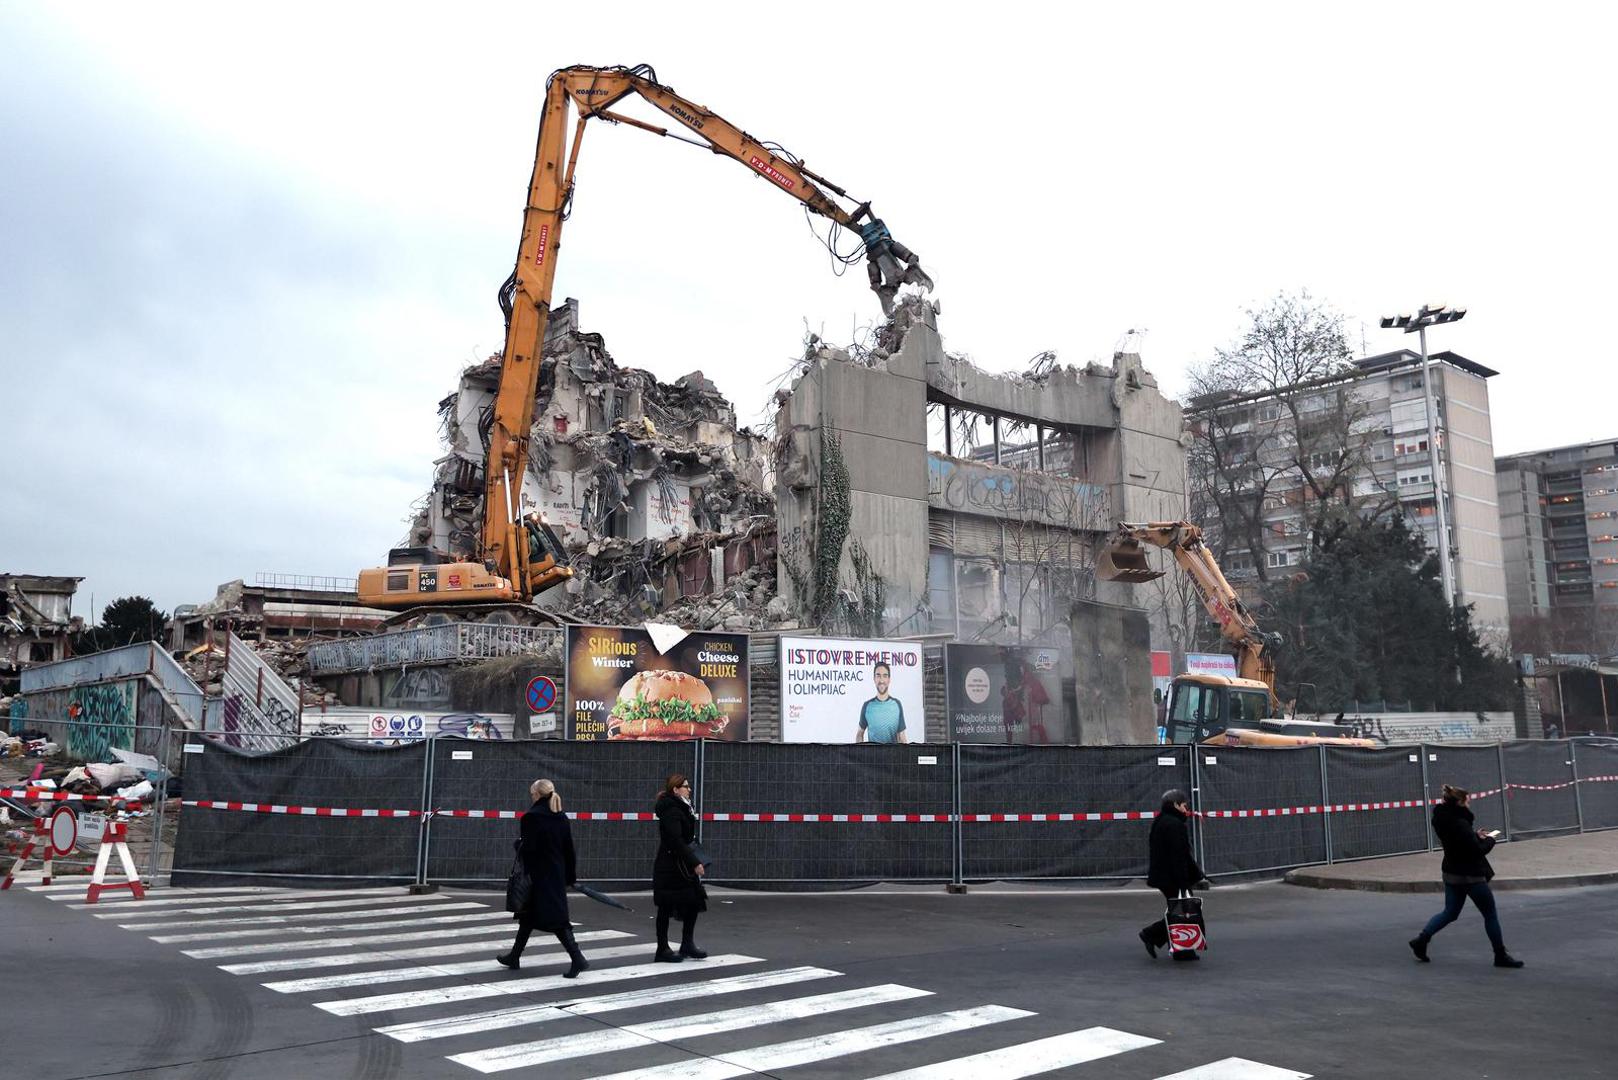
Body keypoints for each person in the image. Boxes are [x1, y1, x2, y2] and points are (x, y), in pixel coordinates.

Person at [1409, 785, 1523, 968]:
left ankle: (1422, 940)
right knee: (1490, 914)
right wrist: (1490, 840)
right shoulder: (1460, 823)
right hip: (1470, 875)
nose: (1470, 804)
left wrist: (1474, 835)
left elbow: (1460, 841)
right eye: (1468, 801)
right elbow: (1476, 851)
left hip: (1451, 873)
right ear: (1460, 803)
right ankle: (1500, 955)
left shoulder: (1442, 819)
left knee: (1450, 912)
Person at [498, 778, 589, 977]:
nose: (531, 797)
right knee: (528, 916)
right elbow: (569, 850)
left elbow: (529, 850)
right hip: (556, 874)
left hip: (538, 877)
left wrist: (517, 845)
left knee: (557, 920)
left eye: (532, 794)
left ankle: (578, 958)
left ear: (537, 795)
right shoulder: (561, 816)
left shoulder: (531, 817)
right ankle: (514, 956)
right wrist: (570, 876)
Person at [1139, 788, 1209, 962]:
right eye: (1184, 805)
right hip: (1172, 877)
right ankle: (1159, 939)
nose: (1187, 809)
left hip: (1164, 876)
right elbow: (1179, 856)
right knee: (1185, 911)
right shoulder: (1175, 825)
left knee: (1179, 911)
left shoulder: (1161, 821)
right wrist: (1184, 882)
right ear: (1176, 804)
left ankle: (1170, 944)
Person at [653, 773, 707, 962]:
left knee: (693, 902)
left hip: (681, 865)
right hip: (670, 867)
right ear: (676, 790)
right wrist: (695, 862)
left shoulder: (683, 808)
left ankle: (687, 944)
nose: (689, 789)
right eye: (685, 786)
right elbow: (676, 840)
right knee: (665, 907)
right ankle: (662, 949)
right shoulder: (672, 810)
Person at [855, 662, 908, 744]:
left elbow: (902, 736)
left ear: (889, 679)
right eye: (878, 675)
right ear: (874, 679)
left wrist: (906, 755)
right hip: (873, 756)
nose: (882, 680)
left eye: (885, 675)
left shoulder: (897, 705)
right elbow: (859, 733)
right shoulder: (867, 706)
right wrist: (859, 753)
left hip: (893, 755)